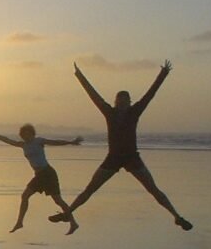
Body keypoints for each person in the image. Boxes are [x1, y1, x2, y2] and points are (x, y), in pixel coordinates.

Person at [50, 61, 192, 230]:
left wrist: (163, 75)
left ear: (130, 102)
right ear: (116, 101)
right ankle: (68, 214)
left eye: (126, 100)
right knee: (89, 189)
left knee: (153, 190)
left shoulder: (135, 111)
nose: (123, 103)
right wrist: (79, 75)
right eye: (120, 100)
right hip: (113, 158)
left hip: (132, 157)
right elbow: (93, 95)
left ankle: (177, 217)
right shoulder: (109, 112)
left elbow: (150, 94)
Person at [0, 123, 82, 234]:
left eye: (28, 134)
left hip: (48, 173)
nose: (26, 137)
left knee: (58, 200)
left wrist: (71, 142)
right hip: (38, 176)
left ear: (32, 133)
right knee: (25, 196)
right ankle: (19, 223)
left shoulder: (39, 141)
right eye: (23, 135)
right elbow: (6, 140)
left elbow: (55, 142)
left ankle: (73, 223)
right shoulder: (23, 145)